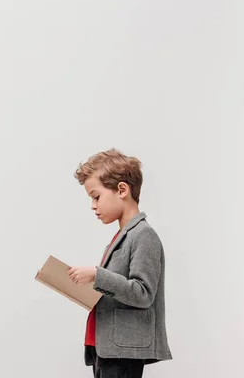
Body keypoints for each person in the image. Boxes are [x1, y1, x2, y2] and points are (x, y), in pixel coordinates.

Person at [68, 148, 172, 378]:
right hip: (107, 346)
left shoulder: (144, 235)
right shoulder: (121, 237)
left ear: (122, 190)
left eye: (96, 197)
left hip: (122, 349)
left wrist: (97, 275)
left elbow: (143, 293)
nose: (93, 206)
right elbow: (117, 288)